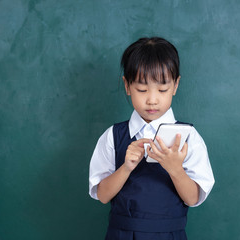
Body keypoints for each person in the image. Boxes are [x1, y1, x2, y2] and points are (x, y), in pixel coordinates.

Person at [89, 37, 215, 240]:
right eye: (142, 89)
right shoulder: (113, 136)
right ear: (127, 86)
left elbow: (193, 198)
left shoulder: (189, 137)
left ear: (175, 85)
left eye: (162, 89)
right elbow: (102, 195)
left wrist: (175, 169)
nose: (152, 99)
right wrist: (126, 168)